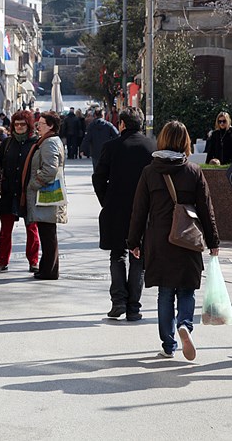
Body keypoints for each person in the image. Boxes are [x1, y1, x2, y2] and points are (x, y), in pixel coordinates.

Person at [127, 121, 220, 360]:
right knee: (187, 290)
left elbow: (139, 210)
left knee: (165, 293)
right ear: (185, 142)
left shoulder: (149, 171)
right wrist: (213, 242)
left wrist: (133, 241)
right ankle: (185, 325)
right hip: (187, 238)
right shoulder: (193, 171)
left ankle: (168, 345)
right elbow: (206, 209)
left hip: (159, 239)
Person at [92, 107, 155, 320]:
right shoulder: (152, 147)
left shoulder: (111, 147)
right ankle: (134, 307)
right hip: (143, 211)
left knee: (117, 254)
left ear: (122, 124)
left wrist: (106, 200)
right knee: (138, 257)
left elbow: (98, 177)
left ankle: (118, 300)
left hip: (116, 209)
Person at [0, 110, 40, 274]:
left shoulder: (35, 143)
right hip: (8, 191)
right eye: (16, 124)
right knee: (5, 230)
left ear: (28, 125)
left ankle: (34, 262)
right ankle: (1, 261)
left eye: (22, 124)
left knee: (32, 228)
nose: (19, 127)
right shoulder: (7, 144)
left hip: (28, 193)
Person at [24, 111, 67, 280]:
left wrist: (33, 184)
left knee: (48, 234)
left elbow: (50, 169)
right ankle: (48, 268)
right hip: (44, 196)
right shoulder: (47, 141)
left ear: (50, 126)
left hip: (46, 195)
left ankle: (49, 270)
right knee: (47, 234)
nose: (38, 126)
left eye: (41, 123)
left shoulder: (49, 143)